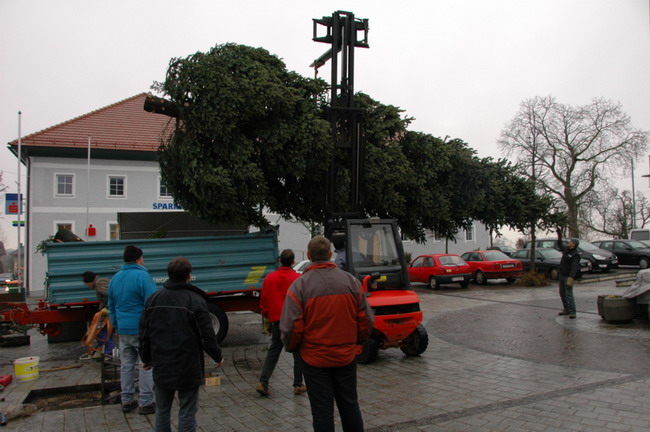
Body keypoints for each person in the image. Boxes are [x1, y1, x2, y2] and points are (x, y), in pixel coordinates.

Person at [280, 235, 374, 432]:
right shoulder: (351, 282)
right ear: (330, 255)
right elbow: (366, 319)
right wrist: (357, 341)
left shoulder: (299, 287)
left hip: (314, 359)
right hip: (346, 356)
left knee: (322, 411)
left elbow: (291, 327)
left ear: (309, 255)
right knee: (350, 406)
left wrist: (293, 347)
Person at [140, 257, 224, 432]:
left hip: (162, 363)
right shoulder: (195, 300)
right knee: (187, 410)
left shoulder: (153, 299)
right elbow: (206, 333)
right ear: (188, 276)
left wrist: (146, 358)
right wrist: (217, 355)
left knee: (162, 410)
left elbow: (145, 332)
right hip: (188, 364)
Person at [108, 245, 158, 415]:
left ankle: (127, 400)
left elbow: (111, 306)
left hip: (123, 330)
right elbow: (152, 304)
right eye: (142, 258)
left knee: (126, 365)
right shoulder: (143, 276)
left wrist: (116, 325)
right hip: (141, 329)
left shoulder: (115, 278)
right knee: (145, 364)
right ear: (138, 259)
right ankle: (146, 402)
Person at [256, 249, 305, 396]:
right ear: (293, 262)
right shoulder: (297, 278)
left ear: (280, 261)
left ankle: (263, 382)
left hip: (277, 321)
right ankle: (298, 384)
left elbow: (263, 301)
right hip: (294, 321)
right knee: (297, 351)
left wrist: (267, 316)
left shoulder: (270, 278)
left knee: (274, 351)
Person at [81, 271, 114, 358]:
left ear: (90, 281)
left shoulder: (99, 283)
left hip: (107, 311)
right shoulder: (100, 282)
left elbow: (112, 294)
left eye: (87, 284)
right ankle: (105, 350)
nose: (87, 286)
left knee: (99, 330)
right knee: (104, 331)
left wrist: (108, 308)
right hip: (107, 310)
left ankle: (109, 351)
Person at [557, 229, 581, 319]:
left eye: (570, 241)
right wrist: (559, 236)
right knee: (562, 293)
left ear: (574, 244)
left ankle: (573, 311)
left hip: (568, 277)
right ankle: (566, 309)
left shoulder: (575, 254)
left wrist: (571, 278)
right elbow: (559, 245)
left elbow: (574, 267)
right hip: (562, 275)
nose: (569, 242)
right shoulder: (566, 250)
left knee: (569, 294)